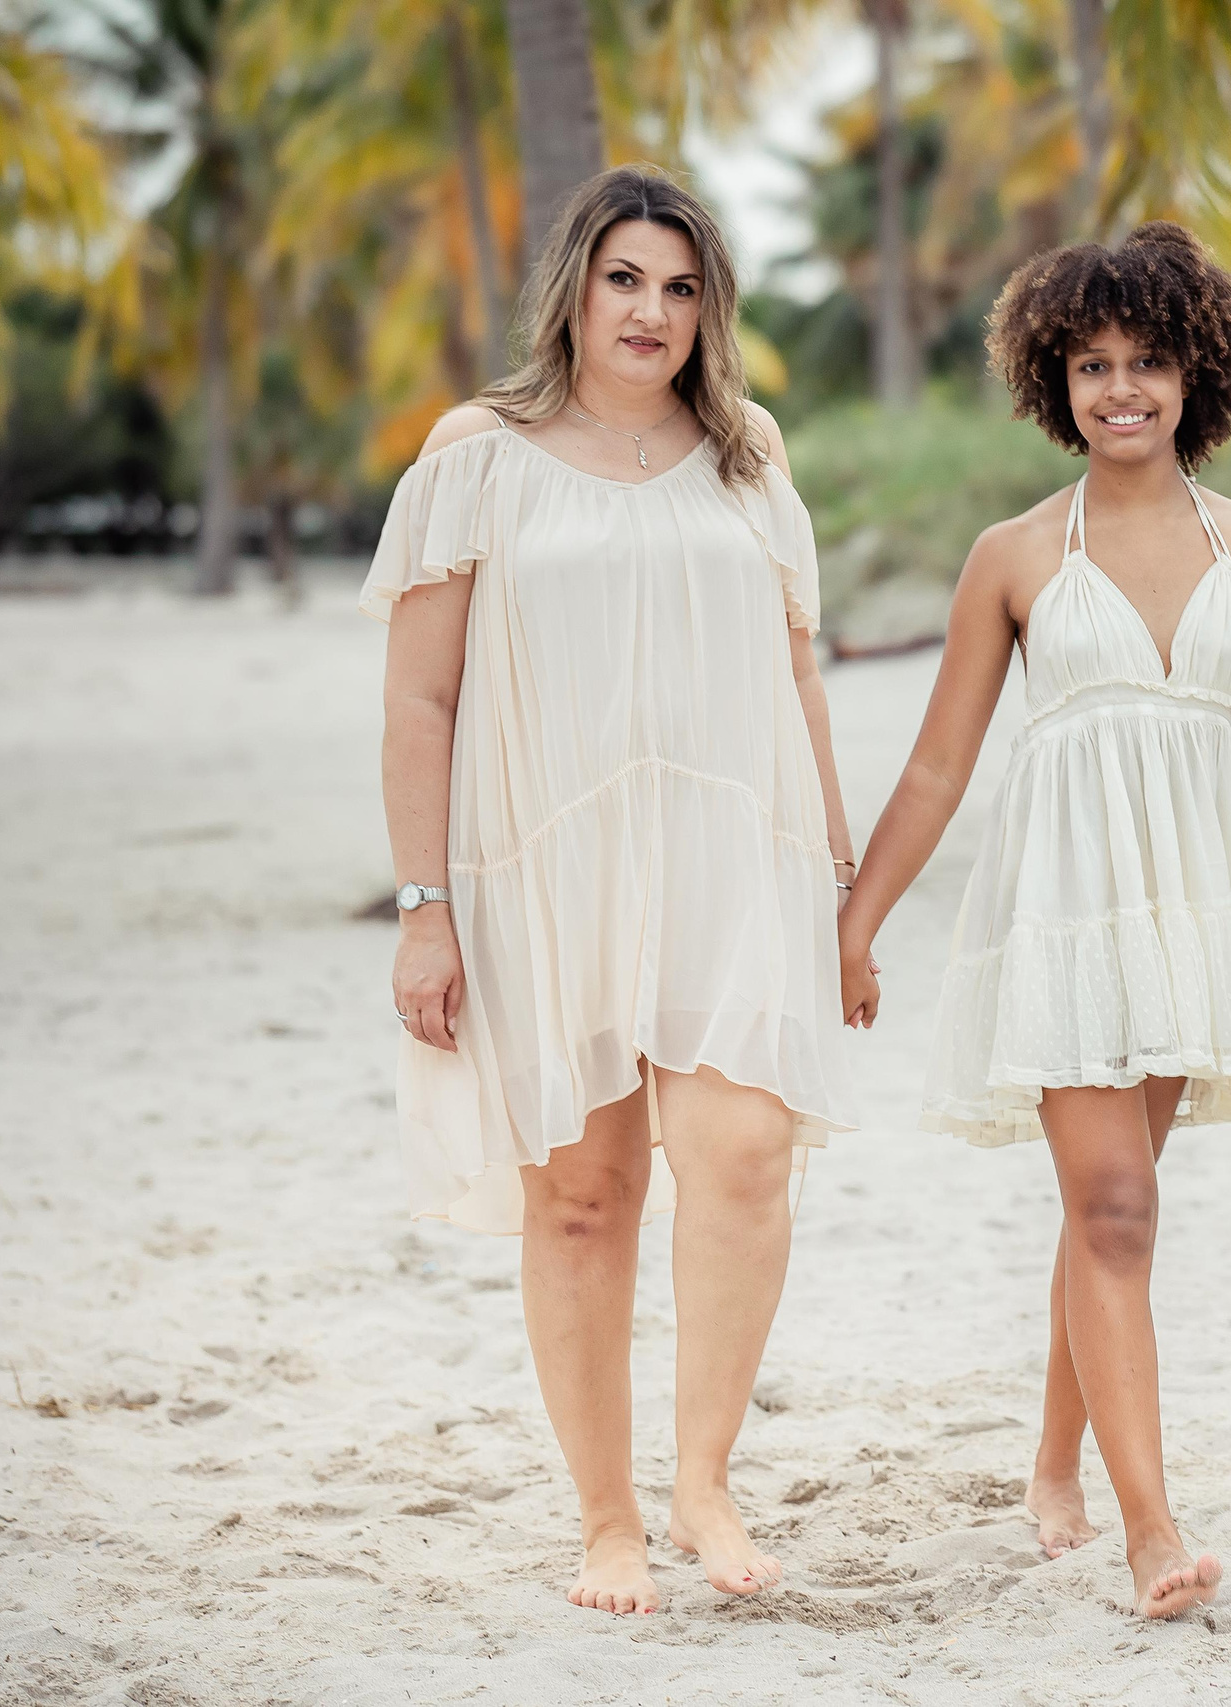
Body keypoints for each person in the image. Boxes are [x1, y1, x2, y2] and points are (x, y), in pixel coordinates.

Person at [835, 223, 1231, 1619]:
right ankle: (1150, 1527)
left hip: (1183, 910)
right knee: (1109, 1208)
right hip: (1058, 909)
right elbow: (937, 766)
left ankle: (1056, 1459)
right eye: (1092, 364)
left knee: (1119, 1209)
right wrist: (861, 922)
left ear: (1196, 372)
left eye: (1149, 361)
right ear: (1054, 379)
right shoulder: (1011, 555)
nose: (1122, 390)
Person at [366, 166, 861, 1615]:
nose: (652, 311)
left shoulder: (747, 452)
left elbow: (797, 674)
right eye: (626, 279)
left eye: (683, 286)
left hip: (730, 865)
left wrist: (837, 887)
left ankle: (702, 1479)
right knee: (583, 1197)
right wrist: (423, 908)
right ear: (575, 287)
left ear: (712, 310)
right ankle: (605, 1521)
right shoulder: (477, 452)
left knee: (746, 1158)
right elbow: (419, 702)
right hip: (546, 871)